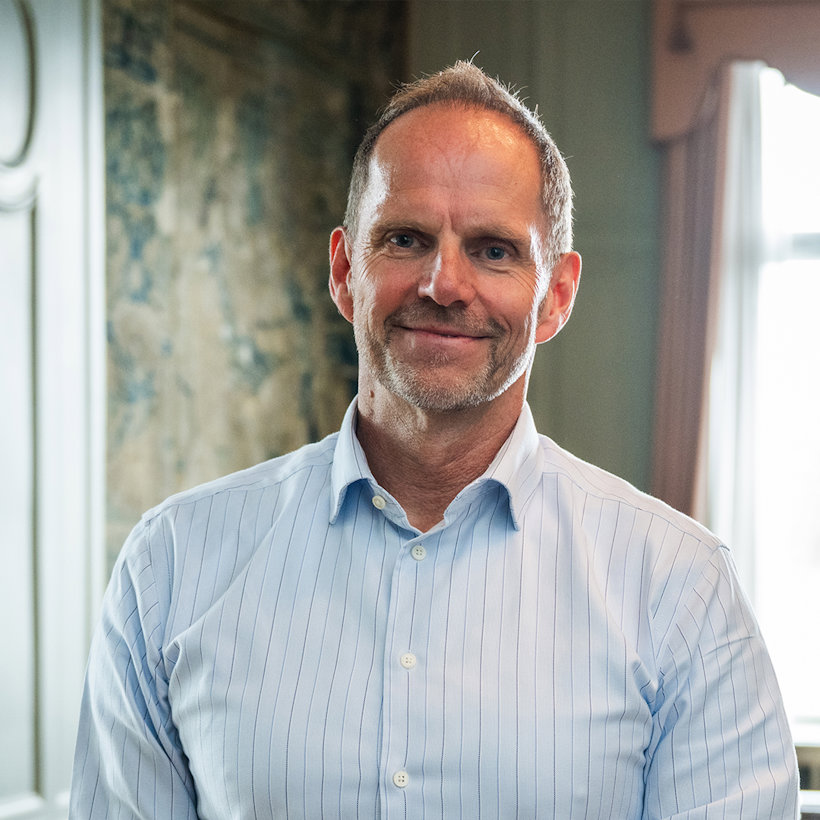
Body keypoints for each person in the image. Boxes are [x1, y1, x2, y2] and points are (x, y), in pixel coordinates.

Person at [70, 61, 798, 819]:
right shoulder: (172, 567)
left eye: (492, 249)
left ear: (556, 295)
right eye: (407, 239)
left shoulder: (681, 590)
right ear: (345, 270)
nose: (444, 284)